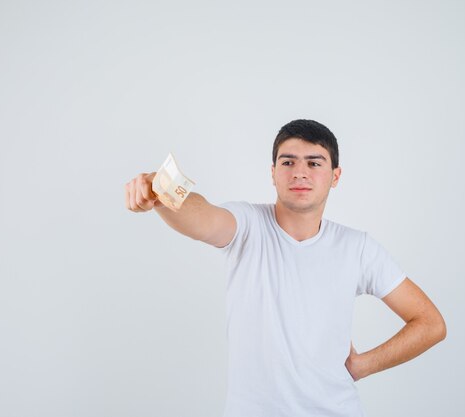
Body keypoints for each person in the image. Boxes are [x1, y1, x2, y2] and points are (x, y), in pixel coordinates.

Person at [125, 119, 447, 417]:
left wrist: (363, 365)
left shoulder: (357, 248)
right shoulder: (248, 225)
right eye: (288, 162)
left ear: (335, 176)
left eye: (314, 163)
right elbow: (202, 217)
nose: (300, 172)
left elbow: (430, 323)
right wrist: (161, 190)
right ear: (273, 172)